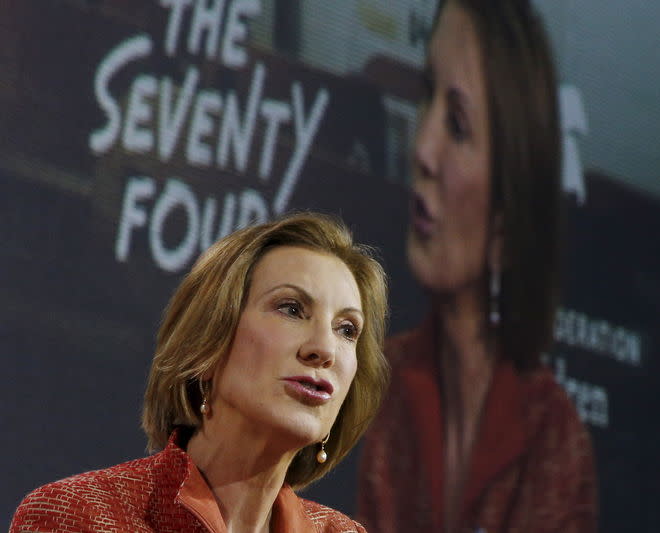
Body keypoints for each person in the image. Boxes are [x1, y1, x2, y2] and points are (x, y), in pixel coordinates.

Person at [356, 1, 597, 532]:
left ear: (508, 217)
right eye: (427, 95)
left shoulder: (555, 441)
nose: (423, 148)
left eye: (458, 126)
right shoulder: (377, 385)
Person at [10, 212, 389, 533]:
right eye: (291, 309)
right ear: (208, 343)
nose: (324, 349)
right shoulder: (82, 516)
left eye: (347, 330)